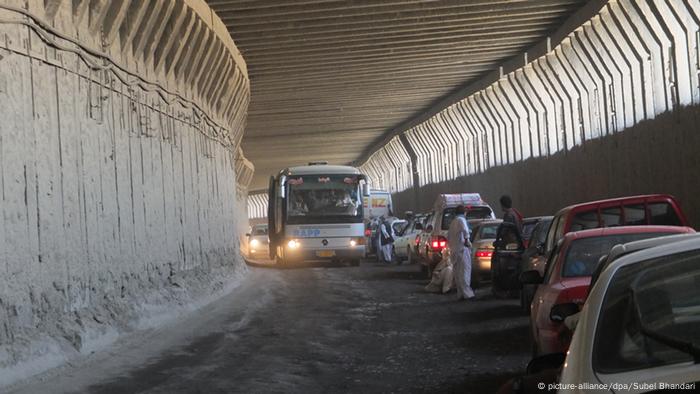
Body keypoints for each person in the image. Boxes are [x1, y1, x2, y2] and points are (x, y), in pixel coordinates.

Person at [448, 205, 474, 300]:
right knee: (465, 271)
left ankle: (461, 294)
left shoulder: (452, 222)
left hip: (454, 250)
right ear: (464, 212)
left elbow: (449, 237)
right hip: (462, 249)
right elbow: (465, 230)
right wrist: (467, 240)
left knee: (457, 273)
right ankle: (468, 294)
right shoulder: (461, 220)